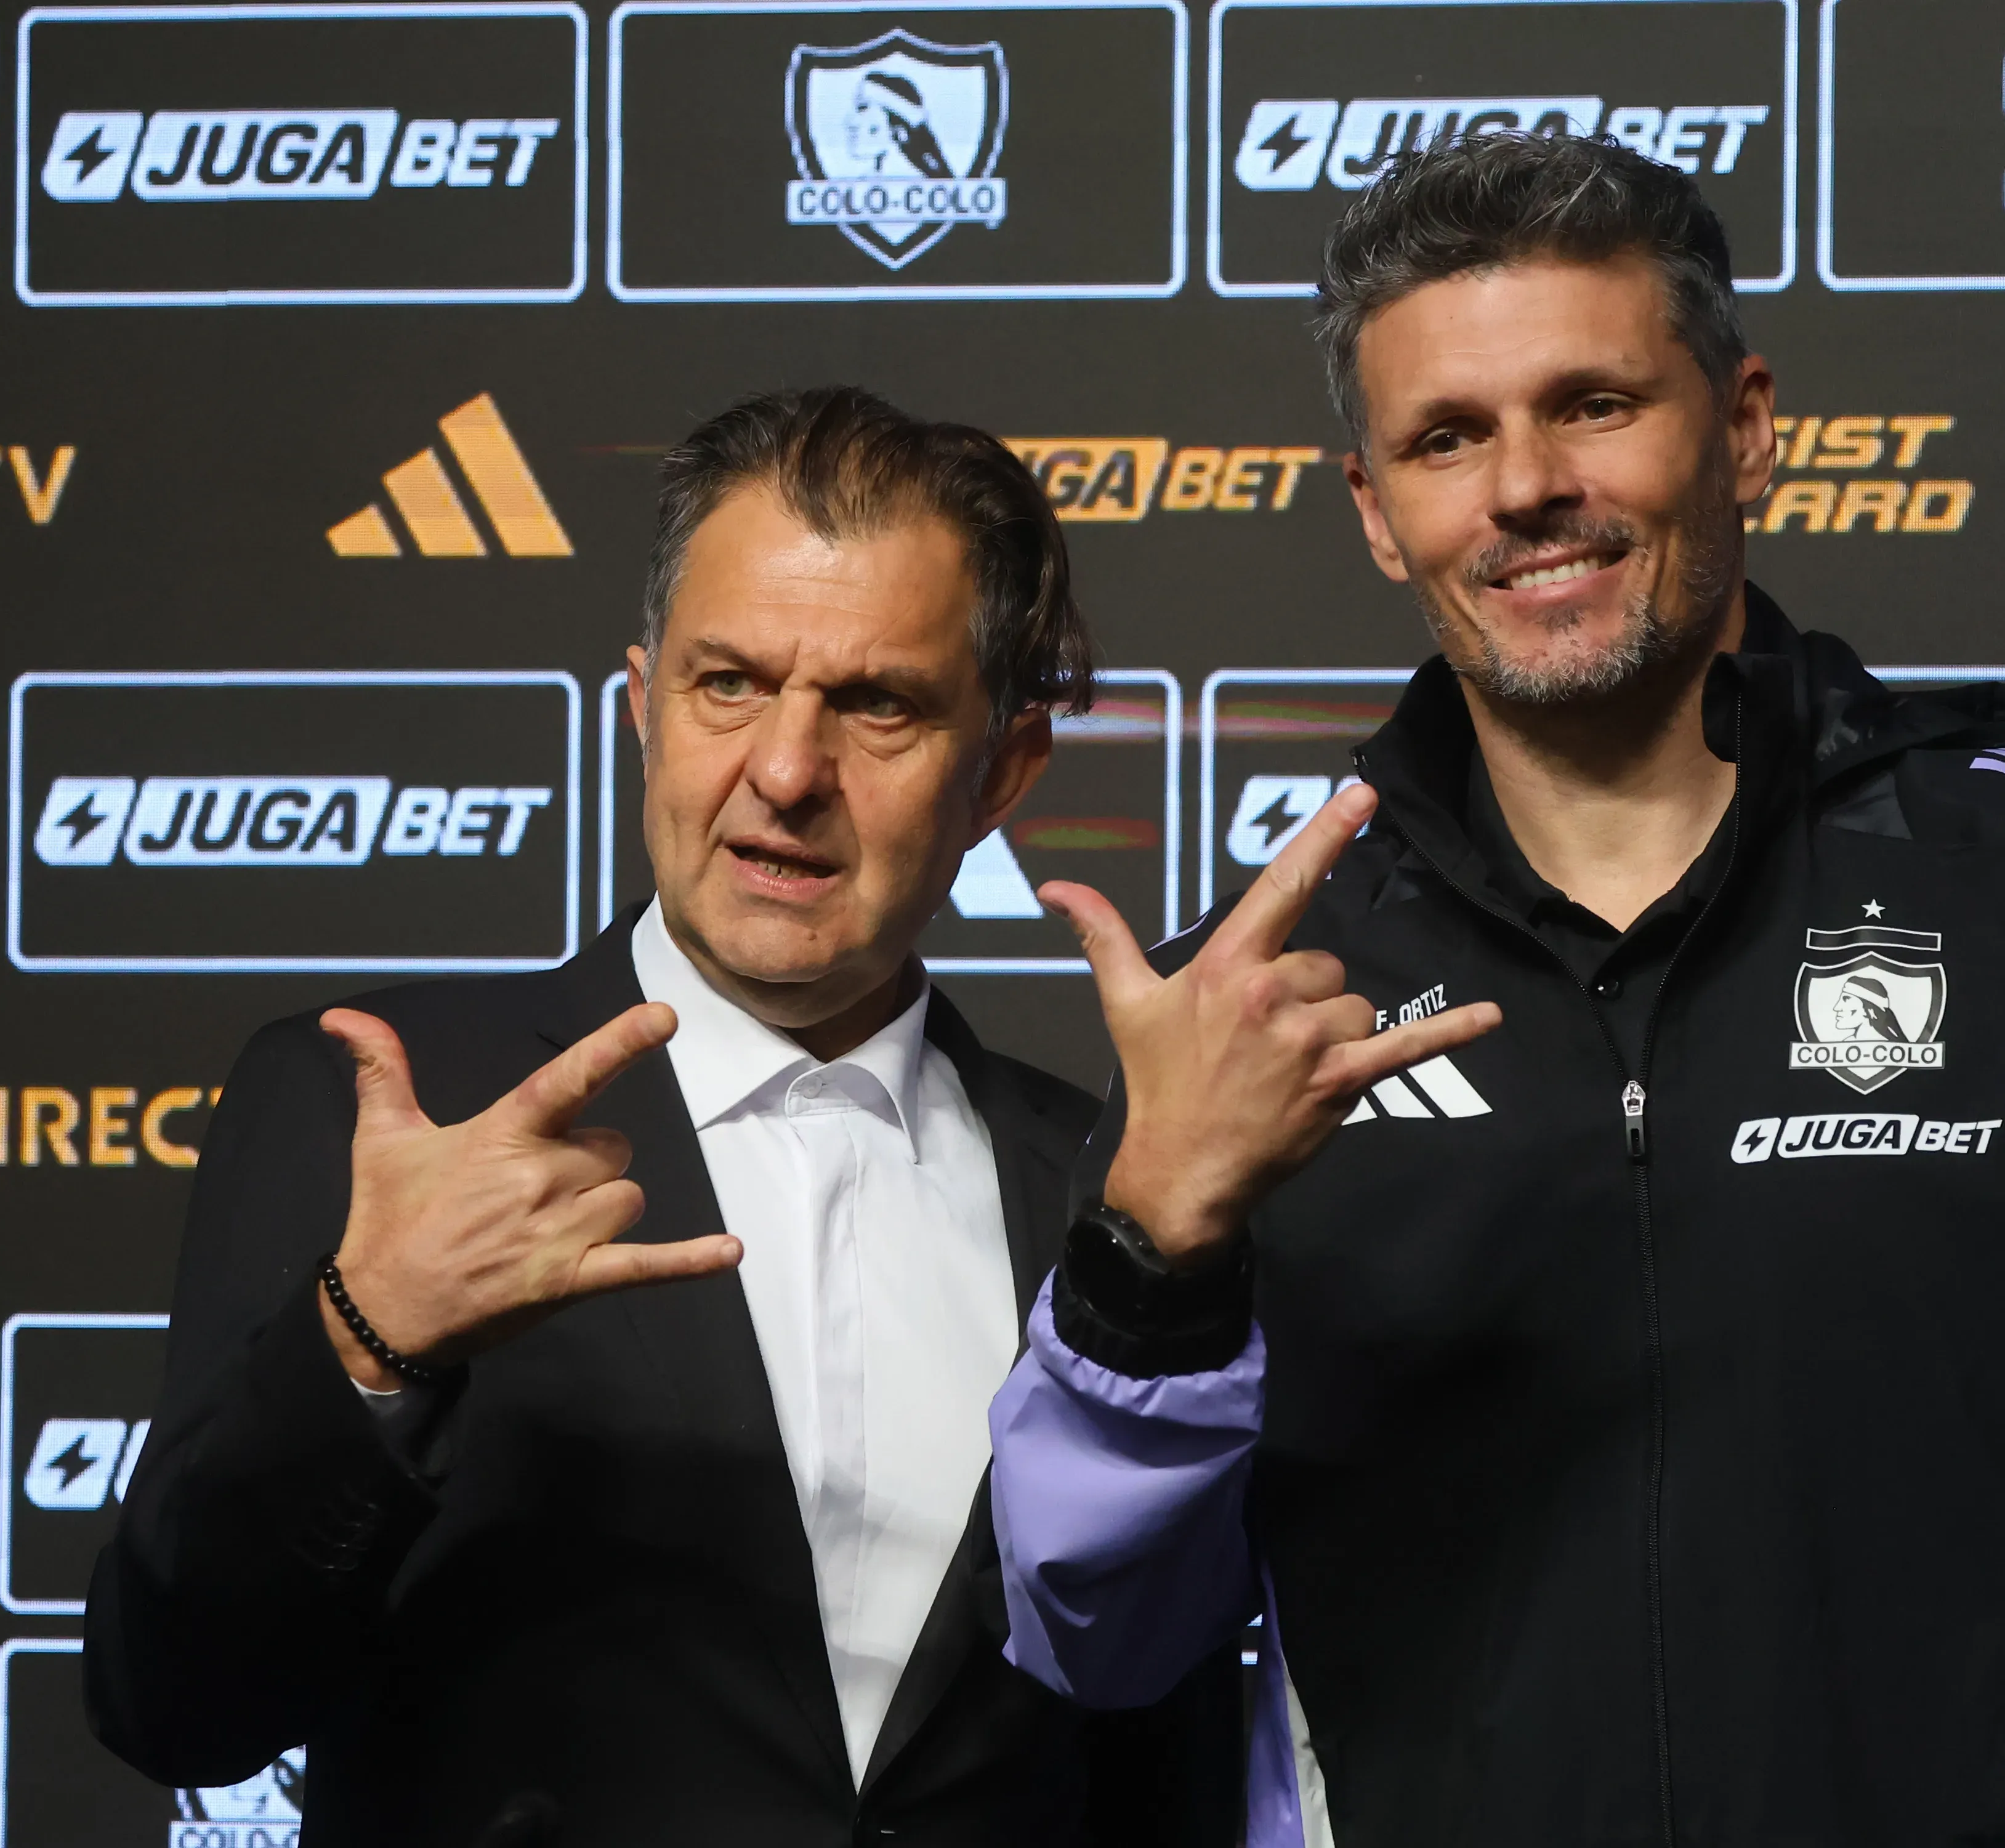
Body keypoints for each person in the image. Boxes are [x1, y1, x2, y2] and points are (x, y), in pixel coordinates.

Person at [988, 133, 2005, 1846]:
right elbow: (1092, 1642)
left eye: (1593, 404)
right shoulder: (1250, 1001)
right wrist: (1147, 1265)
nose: (1523, 487)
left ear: (1746, 425)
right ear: (1376, 516)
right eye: (1445, 439)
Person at [86, 387, 1236, 1846]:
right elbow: (170, 1704)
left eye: (878, 704)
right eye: (730, 684)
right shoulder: (388, 1103)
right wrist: (369, 1342)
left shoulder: (1099, 1194)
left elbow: (1159, 1761)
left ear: (1001, 773)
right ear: (642, 706)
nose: (786, 771)